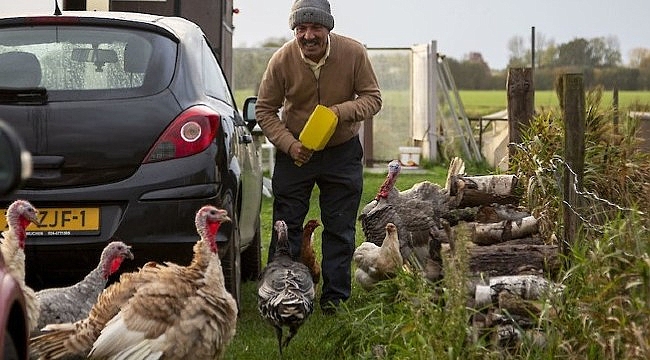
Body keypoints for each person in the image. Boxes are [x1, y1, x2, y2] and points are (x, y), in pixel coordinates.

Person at [255, 0, 382, 313]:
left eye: (315, 28)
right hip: (296, 153)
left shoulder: (353, 53)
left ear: (328, 28)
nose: (308, 35)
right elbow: (264, 110)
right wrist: (288, 144)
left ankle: (335, 300)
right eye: (301, 28)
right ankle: (282, 296)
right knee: (287, 226)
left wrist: (340, 112)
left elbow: (373, 98)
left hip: (342, 151)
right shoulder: (281, 59)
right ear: (294, 30)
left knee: (339, 227)